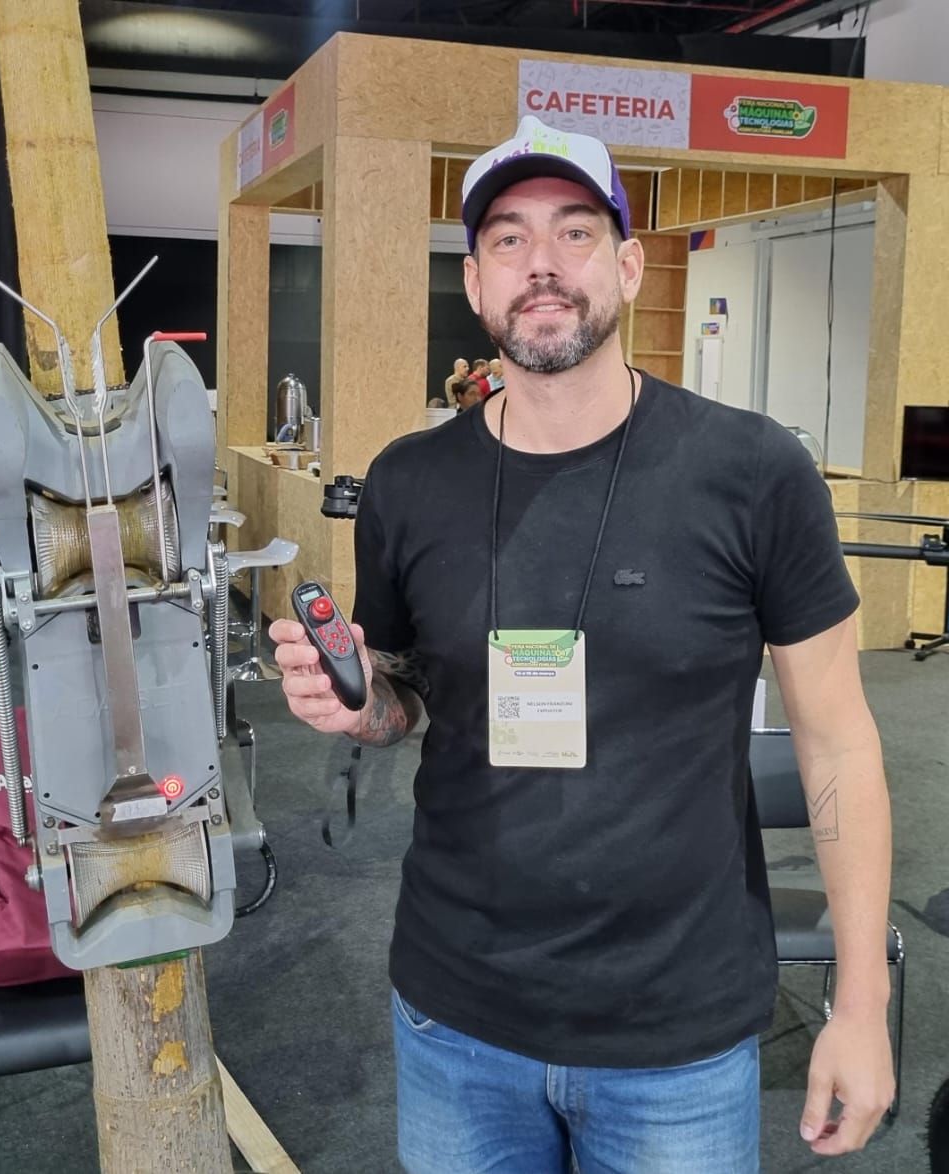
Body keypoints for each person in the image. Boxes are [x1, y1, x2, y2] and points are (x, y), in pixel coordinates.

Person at [271, 113, 895, 1174]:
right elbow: (409, 697)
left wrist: (862, 1004)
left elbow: (838, 741)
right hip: (457, 1015)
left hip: (676, 1032)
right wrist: (358, 703)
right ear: (475, 284)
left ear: (628, 265)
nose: (542, 264)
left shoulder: (753, 473)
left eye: (574, 232)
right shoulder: (409, 483)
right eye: (508, 239)